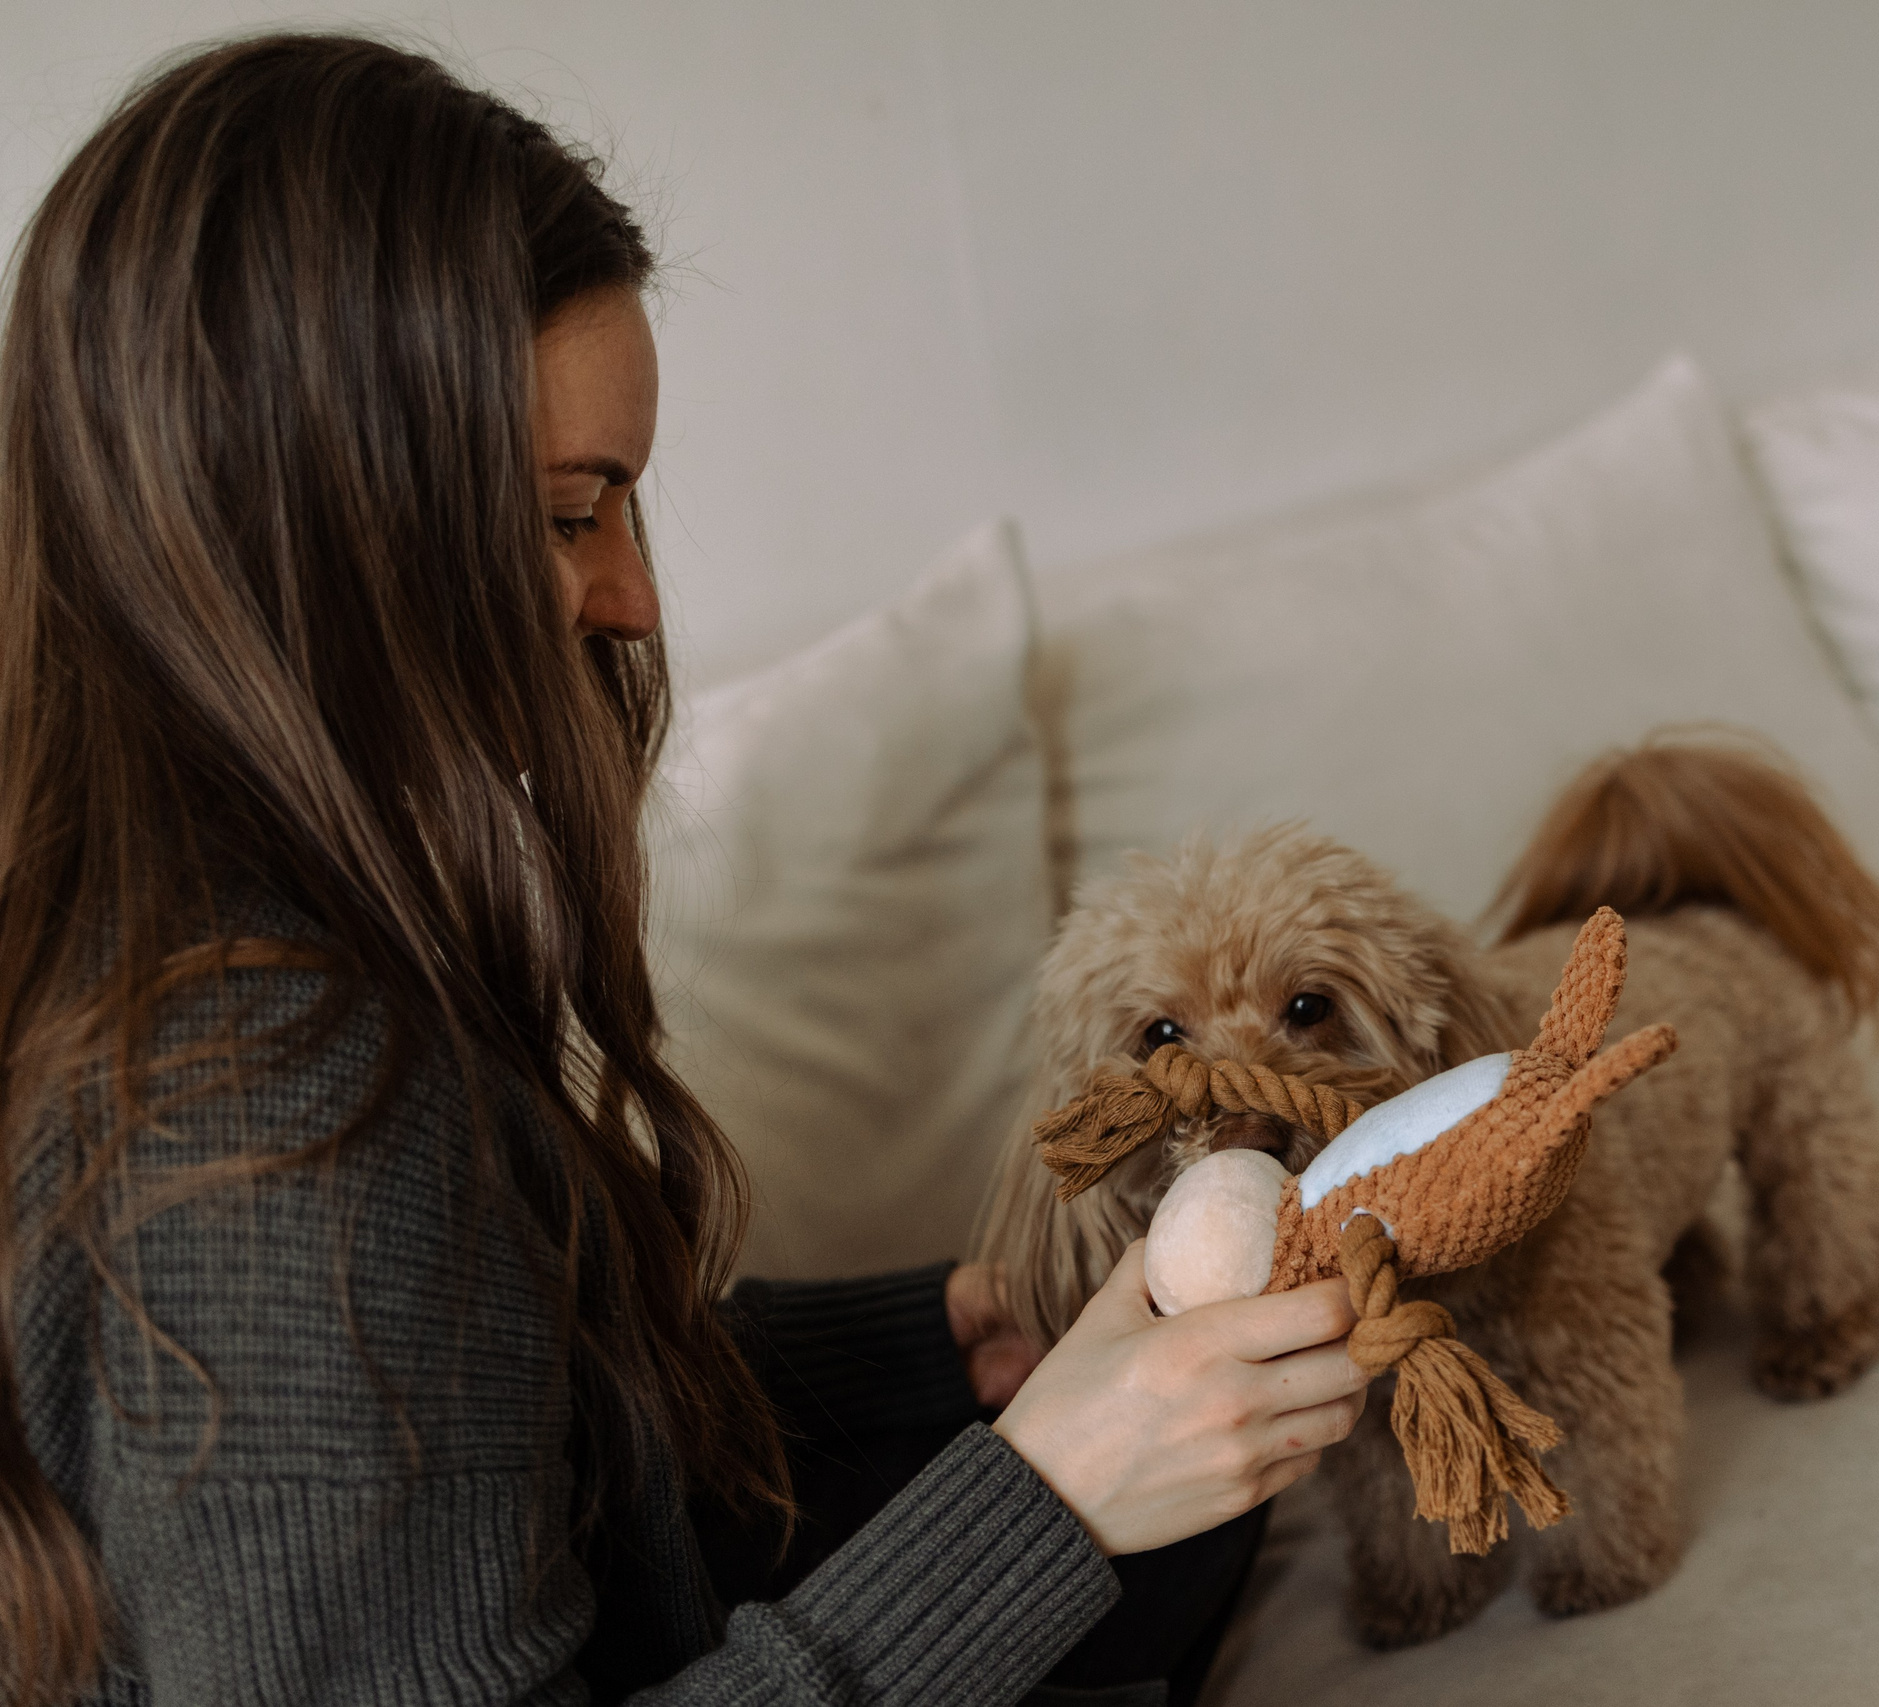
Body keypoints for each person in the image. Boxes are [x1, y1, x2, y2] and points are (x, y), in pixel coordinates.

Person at [0, 34, 1367, 1707]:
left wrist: (937, 1342)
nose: (634, 600)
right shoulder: (270, 1129)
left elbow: (487, 1425)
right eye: (576, 511)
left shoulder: (210, 931)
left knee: (1215, 1507)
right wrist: (1050, 1506)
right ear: (325, 514)